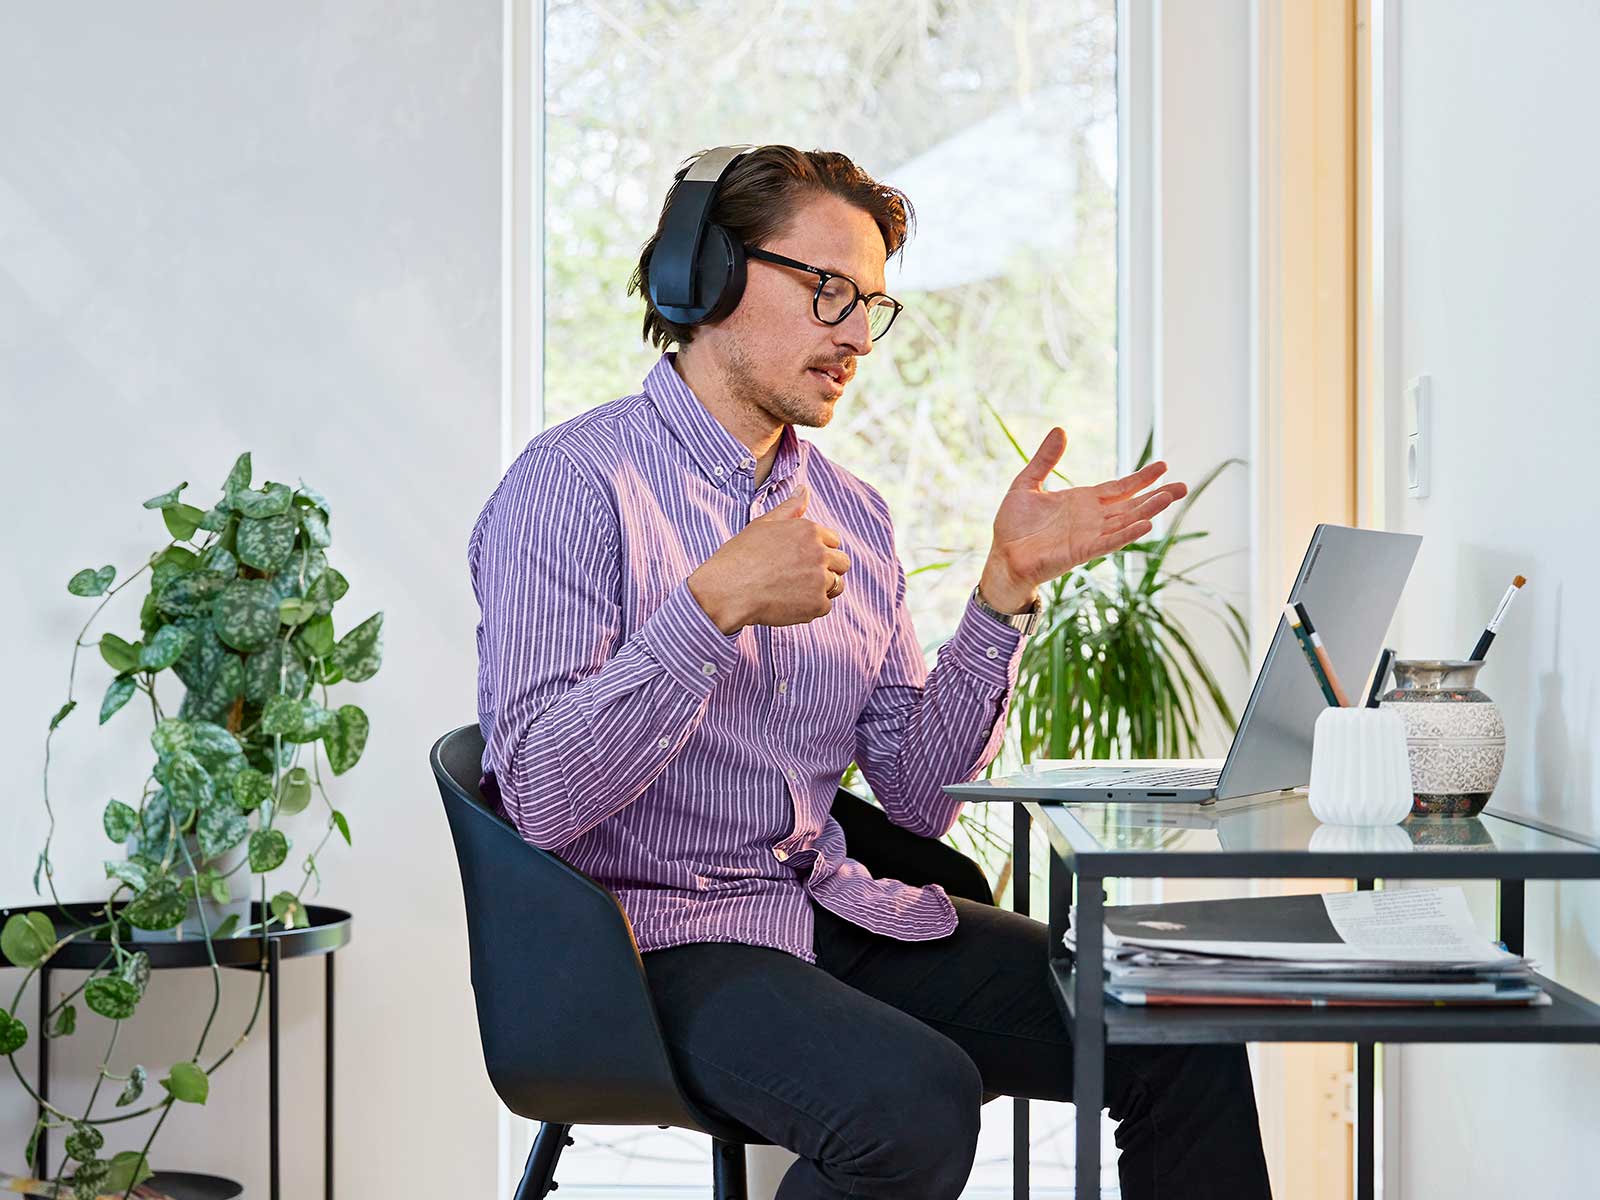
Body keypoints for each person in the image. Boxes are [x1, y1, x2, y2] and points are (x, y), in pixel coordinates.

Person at [470, 144, 1272, 1200]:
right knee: (913, 1106)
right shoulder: (572, 487)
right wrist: (709, 610)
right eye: (830, 292)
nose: (856, 335)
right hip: (646, 948)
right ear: (702, 276)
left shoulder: (851, 514)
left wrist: (1003, 589)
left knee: (1174, 1027)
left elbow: (915, 794)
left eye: (872, 307)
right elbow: (536, 796)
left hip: (821, 906)